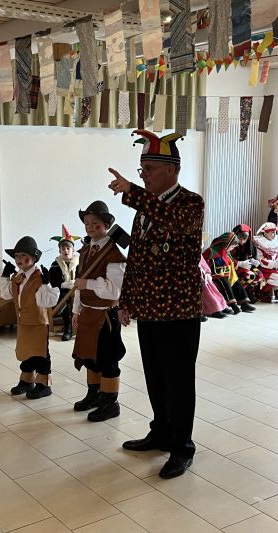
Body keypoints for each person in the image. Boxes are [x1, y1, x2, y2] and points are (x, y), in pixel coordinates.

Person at [107, 129, 203, 479]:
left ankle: (182, 447)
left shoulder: (190, 203)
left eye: (148, 168)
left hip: (178, 311)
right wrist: (126, 300)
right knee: (156, 377)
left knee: (178, 381)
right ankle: (161, 431)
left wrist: (132, 193)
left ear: (171, 170)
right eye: (141, 168)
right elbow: (136, 259)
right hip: (148, 308)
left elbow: (173, 222)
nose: (143, 174)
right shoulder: (145, 208)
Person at [72, 200, 126, 422]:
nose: (90, 227)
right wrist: (76, 311)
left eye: (95, 223)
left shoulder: (114, 255)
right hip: (87, 313)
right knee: (90, 357)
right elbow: (78, 284)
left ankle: (110, 402)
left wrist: (89, 284)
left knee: (107, 359)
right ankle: (94, 395)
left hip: (105, 316)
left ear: (106, 225)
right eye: (87, 223)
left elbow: (115, 291)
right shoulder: (85, 251)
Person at [0, 236, 59, 399]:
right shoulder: (17, 277)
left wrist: (46, 284)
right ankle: (26, 381)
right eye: (17, 256)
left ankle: (44, 384)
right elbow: (5, 295)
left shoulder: (39, 277)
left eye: (23, 256)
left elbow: (46, 301)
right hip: (23, 322)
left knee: (40, 354)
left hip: (38, 322)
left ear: (33, 258)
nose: (19, 259)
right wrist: (5, 276)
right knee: (26, 352)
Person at [203, 232, 256, 314]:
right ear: (226, 244)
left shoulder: (226, 252)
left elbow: (230, 264)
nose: (233, 248)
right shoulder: (210, 251)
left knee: (236, 282)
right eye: (232, 246)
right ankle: (233, 305)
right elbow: (205, 264)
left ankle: (244, 303)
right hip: (214, 276)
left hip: (225, 274)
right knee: (224, 282)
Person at [49, 225, 80, 341]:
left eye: (68, 248)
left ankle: (81, 326)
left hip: (78, 289)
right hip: (62, 291)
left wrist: (76, 283)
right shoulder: (55, 265)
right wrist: (63, 284)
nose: (66, 251)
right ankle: (68, 327)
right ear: (60, 251)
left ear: (73, 250)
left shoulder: (80, 263)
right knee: (62, 298)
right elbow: (53, 281)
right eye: (63, 249)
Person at [231, 224, 264, 303]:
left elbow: (249, 256)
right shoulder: (231, 243)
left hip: (245, 265)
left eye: (244, 239)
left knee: (259, 275)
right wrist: (239, 263)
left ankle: (248, 292)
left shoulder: (249, 244)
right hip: (234, 266)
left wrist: (253, 260)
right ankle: (239, 293)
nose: (242, 241)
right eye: (240, 239)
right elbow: (227, 258)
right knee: (250, 275)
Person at [253, 222, 278, 302]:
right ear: (266, 233)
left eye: (275, 232)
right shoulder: (260, 243)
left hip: (275, 268)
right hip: (265, 269)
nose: (274, 234)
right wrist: (274, 264)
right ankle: (262, 292)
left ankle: (270, 291)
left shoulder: (275, 240)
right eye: (272, 232)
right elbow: (261, 260)